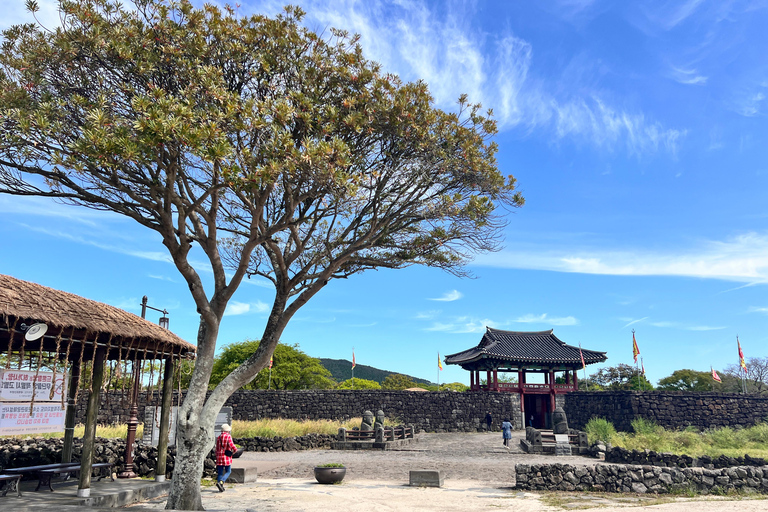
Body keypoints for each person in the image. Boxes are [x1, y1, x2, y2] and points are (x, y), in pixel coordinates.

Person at [215, 423, 238, 492]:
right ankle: (222, 481)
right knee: (228, 471)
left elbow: (217, 448)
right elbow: (232, 445)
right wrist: (234, 451)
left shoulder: (219, 437)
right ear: (227, 430)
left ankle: (220, 486)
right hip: (226, 457)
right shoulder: (228, 436)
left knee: (220, 473)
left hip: (219, 456)